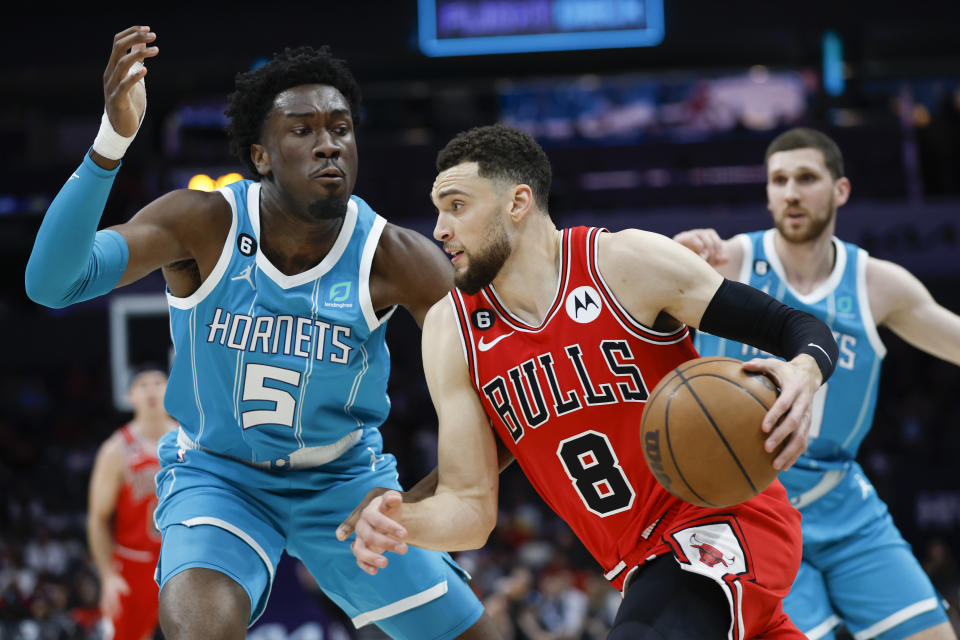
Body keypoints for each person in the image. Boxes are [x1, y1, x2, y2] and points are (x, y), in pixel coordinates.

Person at [25, 26, 499, 640]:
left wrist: (417, 504)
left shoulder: (397, 258)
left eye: (341, 128)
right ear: (260, 156)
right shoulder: (202, 224)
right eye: (303, 130)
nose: (329, 144)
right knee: (198, 625)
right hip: (220, 474)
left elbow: (506, 391)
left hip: (344, 479)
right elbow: (53, 282)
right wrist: (111, 142)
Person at [343, 124, 840, 639]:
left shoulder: (624, 264)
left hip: (729, 523)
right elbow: (471, 508)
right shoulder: (452, 328)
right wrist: (401, 524)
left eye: (457, 205)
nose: (440, 228)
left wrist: (804, 371)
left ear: (518, 202)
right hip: (638, 567)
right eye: (438, 209)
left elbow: (796, 328)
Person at [672, 127, 960, 640]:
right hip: (750, 502)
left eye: (805, 178)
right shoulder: (725, 264)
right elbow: (632, 312)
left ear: (840, 190)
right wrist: (670, 257)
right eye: (778, 180)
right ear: (766, 194)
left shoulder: (878, 284)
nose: (790, 192)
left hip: (842, 496)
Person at [86, 365, 176, 640]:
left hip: (181, 559)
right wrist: (108, 576)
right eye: (143, 385)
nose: (151, 390)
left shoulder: (190, 440)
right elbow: (97, 518)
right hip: (134, 565)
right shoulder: (116, 449)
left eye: (158, 383)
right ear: (129, 396)